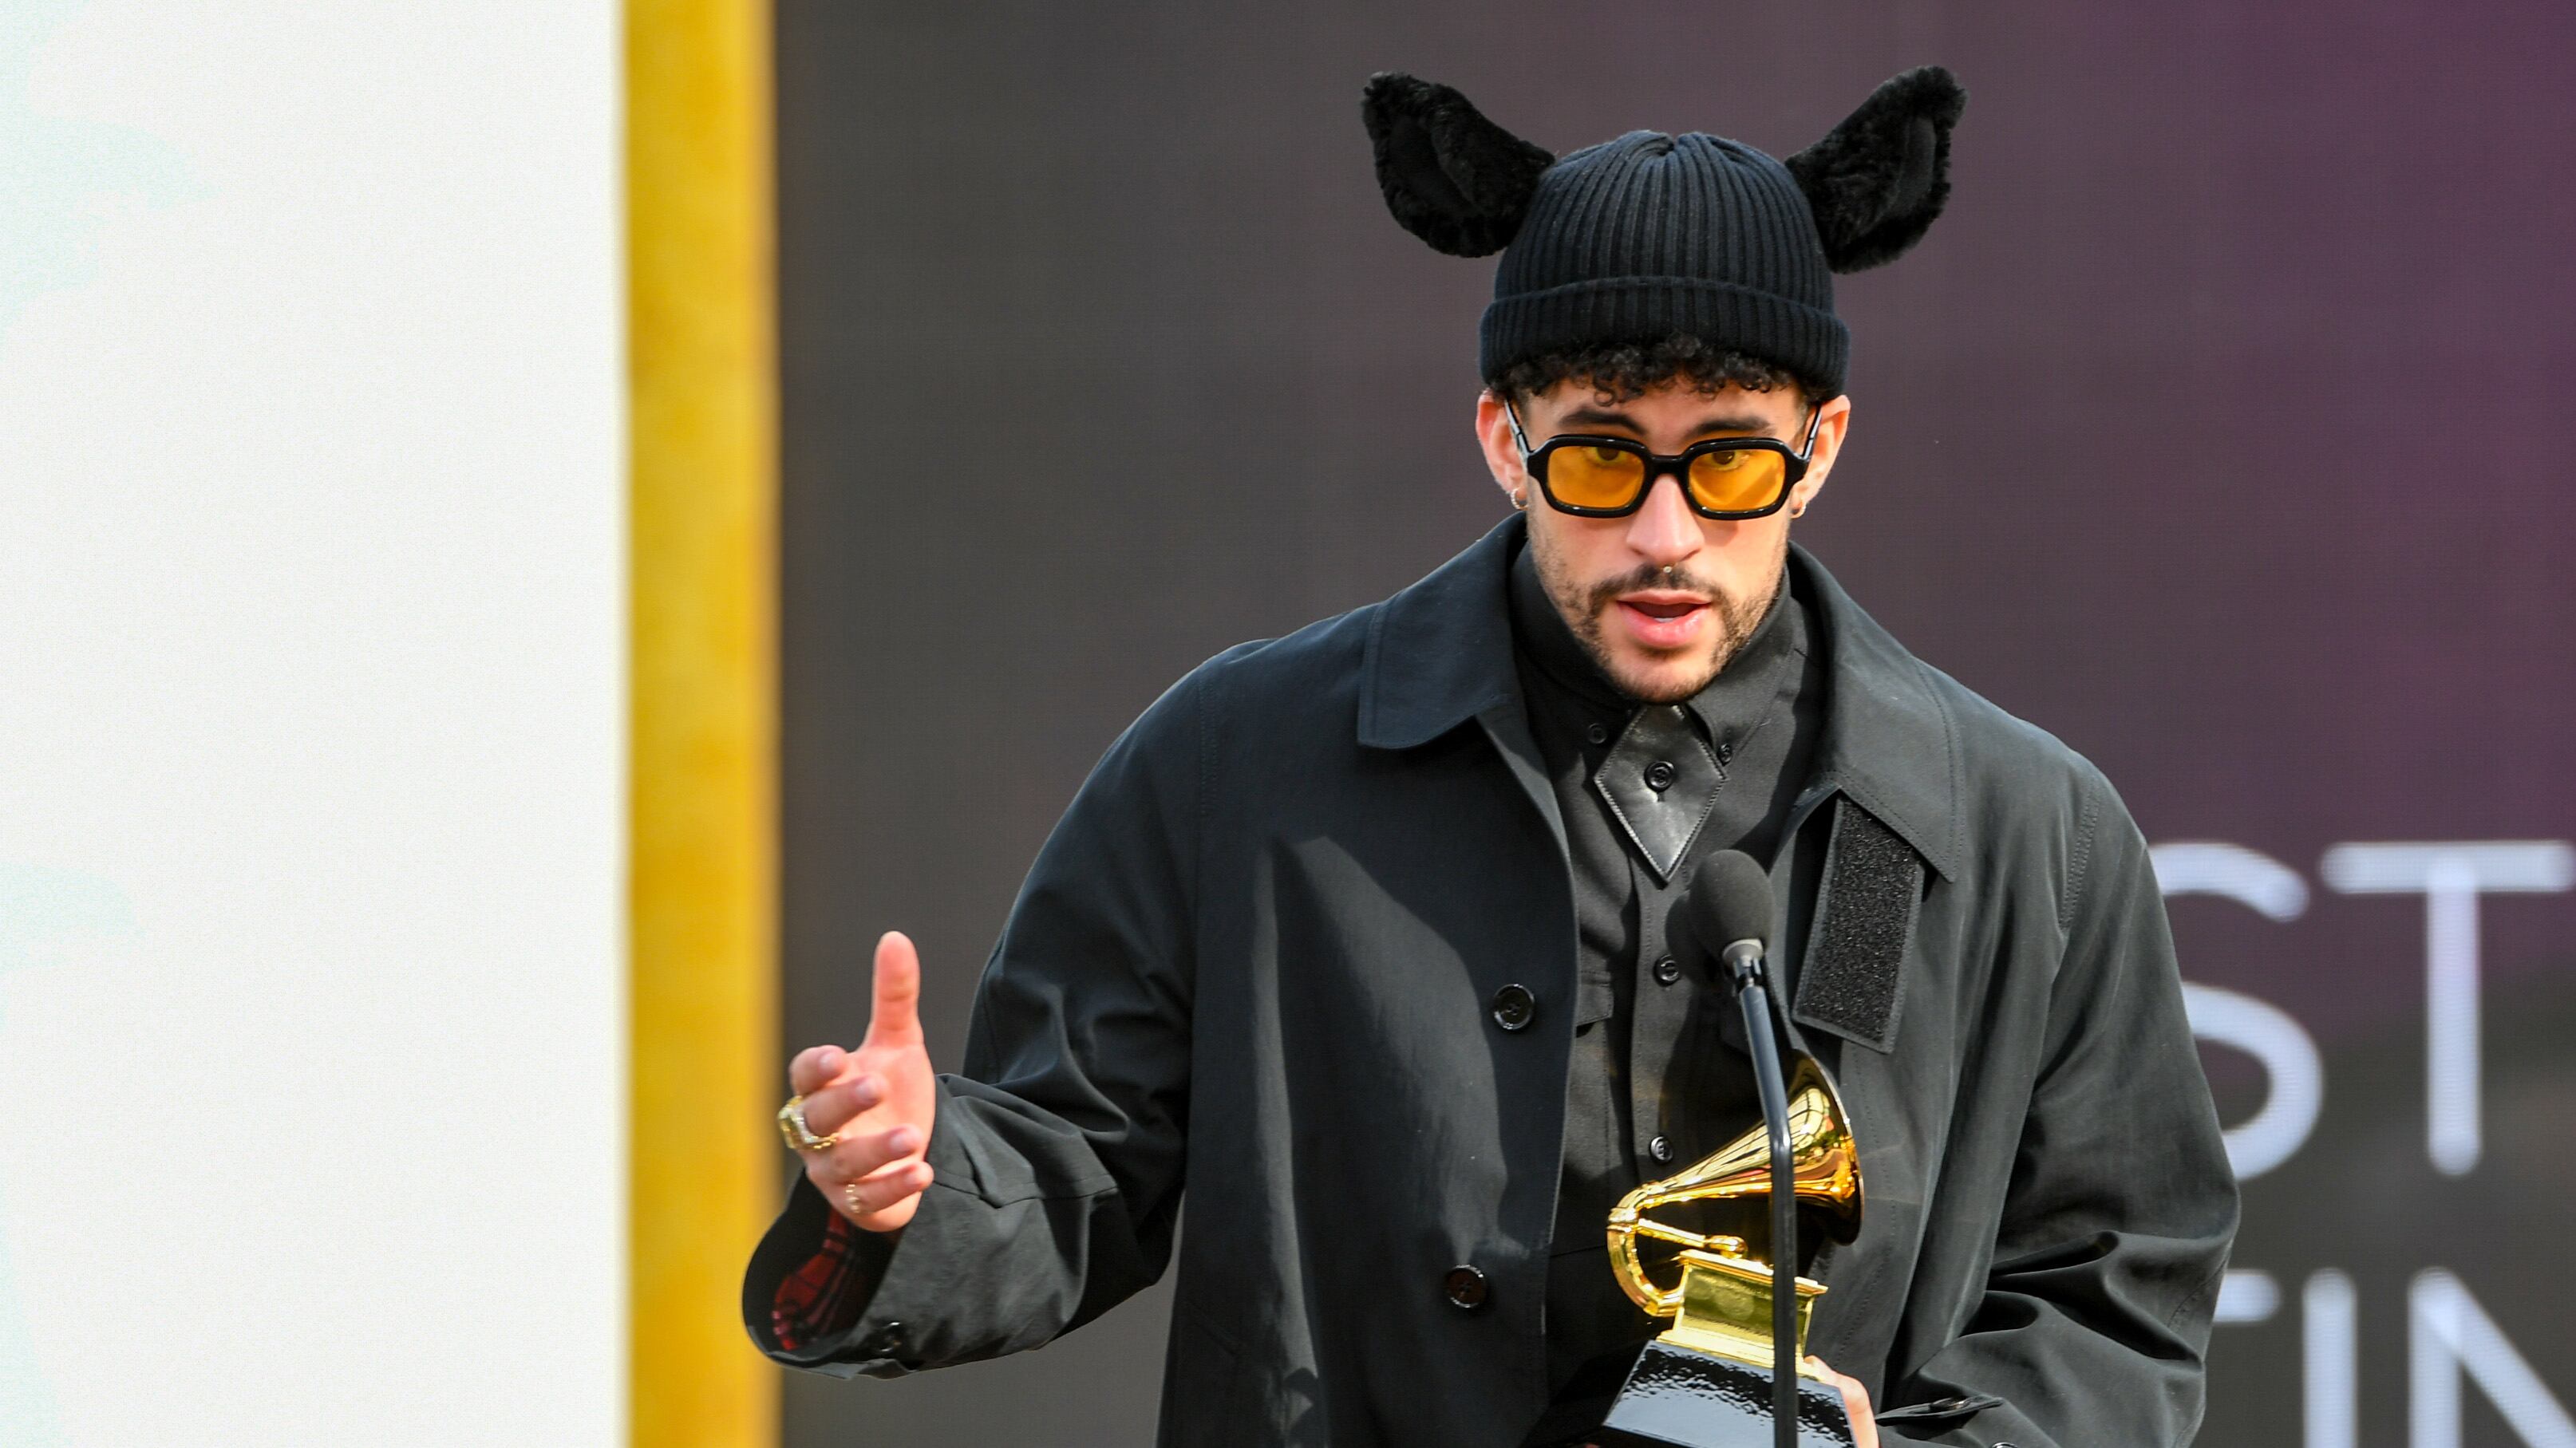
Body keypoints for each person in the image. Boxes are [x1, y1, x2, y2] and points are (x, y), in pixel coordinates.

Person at [744, 67, 2238, 1448]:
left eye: (1729, 460)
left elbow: (2115, 1292)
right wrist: (905, 1194)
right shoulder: (1239, 763)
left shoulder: (2025, 827)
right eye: (1600, 459)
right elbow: (1067, 1165)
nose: (1665, 535)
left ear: (1821, 445)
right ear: (1503, 441)